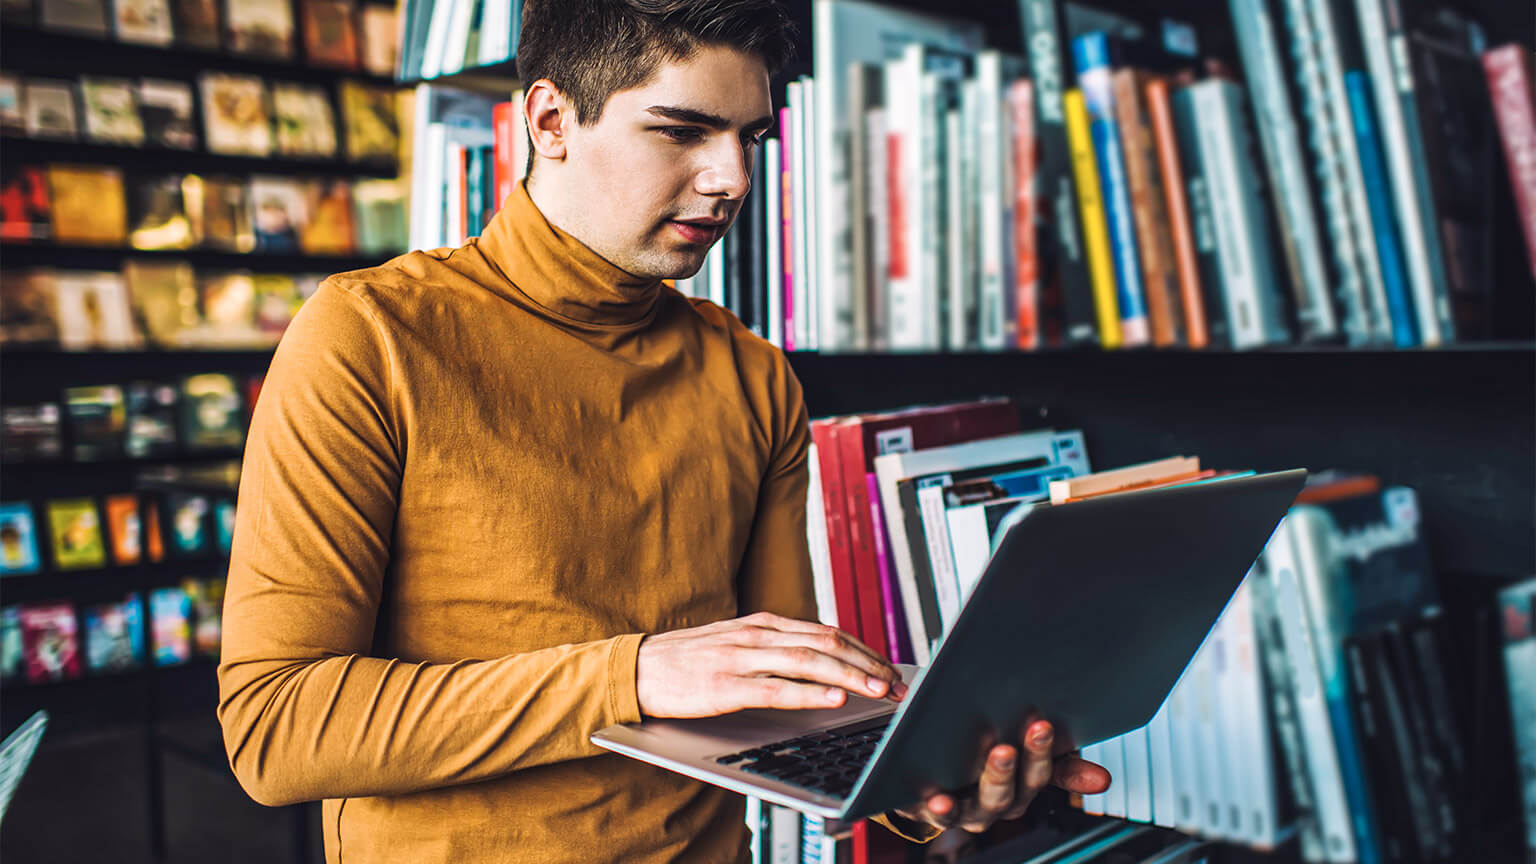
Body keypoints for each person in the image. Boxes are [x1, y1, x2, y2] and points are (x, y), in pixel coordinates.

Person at [216, 1, 1109, 861]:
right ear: (552, 118)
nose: (734, 180)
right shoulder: (370, 335)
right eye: (683, 131)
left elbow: (778, 694)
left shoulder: (752, 373)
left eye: (750, 138)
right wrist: (631, 677)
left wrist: (930, 776)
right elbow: (276, 727)